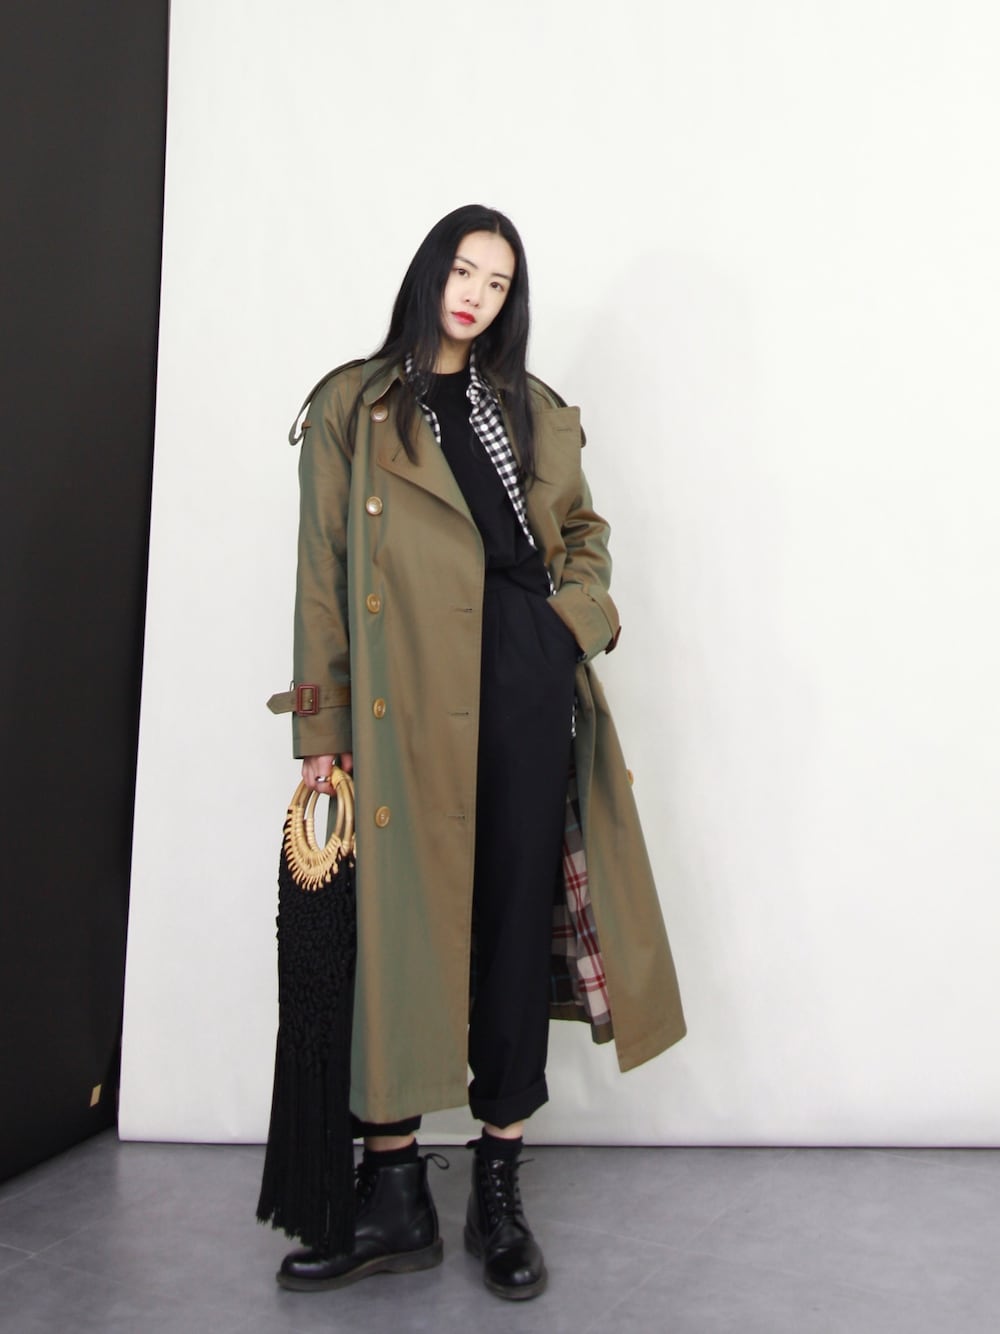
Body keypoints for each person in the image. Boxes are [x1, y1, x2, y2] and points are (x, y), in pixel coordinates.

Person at [270, 204, 685, 1301]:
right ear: (429, 271)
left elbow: (583, 536)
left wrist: (569, 626)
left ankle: (497, 1186)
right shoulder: (354, 405)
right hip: (403, 698)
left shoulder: (529, 408)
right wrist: (323, 734)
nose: (476, 296)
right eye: (463, 270)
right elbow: (322, 577)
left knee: (508, 922)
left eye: (498, 284)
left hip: (520, 681)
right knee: (394, 930)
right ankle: (393, 1189)